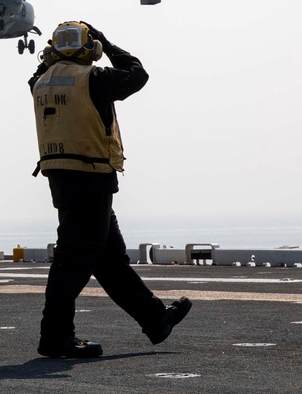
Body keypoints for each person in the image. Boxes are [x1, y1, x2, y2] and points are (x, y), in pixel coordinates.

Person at [29, 20, 191, 359]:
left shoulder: (40, 81)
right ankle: (55, 336)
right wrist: (106, 41)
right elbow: (137, 73)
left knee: (109, 259)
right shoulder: (94, 79)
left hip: (63, 176)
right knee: (73, 260)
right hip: (90, 174)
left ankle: (155, 319)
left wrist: (52, 56)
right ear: (90, 48)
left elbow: (42, 69)